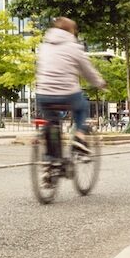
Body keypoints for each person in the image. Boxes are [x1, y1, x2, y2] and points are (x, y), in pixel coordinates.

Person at [35, 17, 106, 156]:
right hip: (67, 93)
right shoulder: (74, 47)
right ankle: (79, 138)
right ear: (71, 31)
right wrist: (99, 82)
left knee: (52, 123)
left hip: (43, 94)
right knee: (83, 107)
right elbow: (87, 71)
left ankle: (50, 163)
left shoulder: (43, 46)